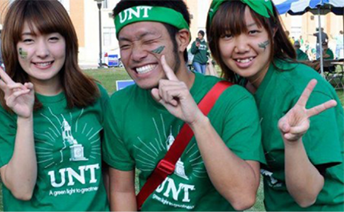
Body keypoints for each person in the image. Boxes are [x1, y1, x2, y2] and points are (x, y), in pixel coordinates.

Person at [105, 0, 264, 211]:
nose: (135, 55)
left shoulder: (233, 100)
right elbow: (121, 190)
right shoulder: (120, 104)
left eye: (149, 41)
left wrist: (197, 120)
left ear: (181, 40)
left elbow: (242, 196)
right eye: (125, 45)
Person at [207, 0, 344, 210]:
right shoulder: (240, 89)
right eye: (227, 35)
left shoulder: (304, 91)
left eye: (253, 32)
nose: (241, 47)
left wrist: (293, 142)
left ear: (272, 31)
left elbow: (307, 196)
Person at [0, 0, 110, 210]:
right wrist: (25, 118)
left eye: (53, 38)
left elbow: (110, 172)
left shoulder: (95, 96)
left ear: (67, 42)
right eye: (28, 40)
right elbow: (21, 189)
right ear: (14, 47)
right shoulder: (1, 109)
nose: (42, 52)